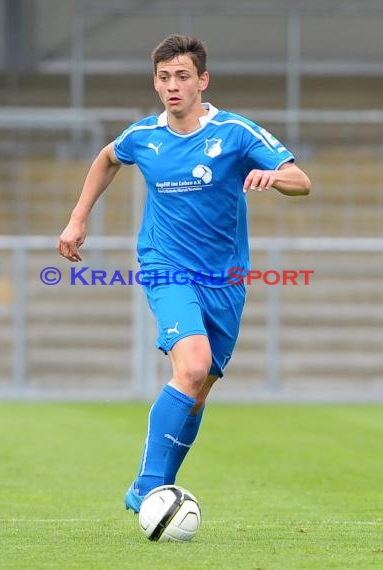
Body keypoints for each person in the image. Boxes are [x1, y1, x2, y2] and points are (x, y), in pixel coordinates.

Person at [57, 34, 311, 513]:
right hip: (166, 267)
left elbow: (303, 181)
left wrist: (272, 176)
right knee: (191, 366)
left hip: (226, 280)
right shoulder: (143, 137)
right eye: (164, 77)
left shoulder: (236, 133)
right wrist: (77, 217)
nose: (173, 86)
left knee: (199, 387)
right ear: (155, 84)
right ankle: (149, 486)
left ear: (202, 81)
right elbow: (108, 157)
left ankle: (156, 492)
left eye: (183, 77)